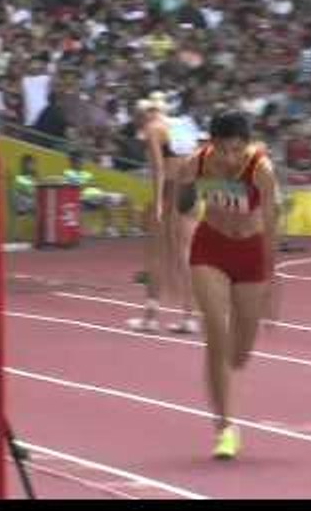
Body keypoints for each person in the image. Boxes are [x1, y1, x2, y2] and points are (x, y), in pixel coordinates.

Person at [176, 110, 279, 459]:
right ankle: (224, 426)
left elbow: (273, 228)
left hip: (250, 254)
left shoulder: (261, 170)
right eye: (223, 151)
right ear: (212, 145)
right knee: (217, 335)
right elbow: (183, 206)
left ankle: (226, 399)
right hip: (211, 248)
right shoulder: (198, 163)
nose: (230, 158)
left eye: (237, 150)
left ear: (247, 147)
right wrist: (184, 184)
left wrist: (274, 284)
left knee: (240, 353)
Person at [126, 92, 201, 334]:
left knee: (155, 253)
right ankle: (189, 318)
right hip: (191, 188)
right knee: (185, 254)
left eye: (137, 117)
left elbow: (158, 167)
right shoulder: (183, 124)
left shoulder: (153, 129)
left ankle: (150, 317)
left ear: (146, 114)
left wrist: (158, 202)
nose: (137, 123)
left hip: (171, 189)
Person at [62, 151, 130, 237]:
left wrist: (96, 188)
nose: (80, 163)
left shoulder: (86, 173)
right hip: (85, 198)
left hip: (97, 195)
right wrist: (87, 186)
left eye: (81, 161)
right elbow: (75, 188)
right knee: (106, 199)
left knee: (127, 198)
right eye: (78, 161)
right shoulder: (68, 173)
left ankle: (131, 228)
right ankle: (109, 228)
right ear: (72, 161)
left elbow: (94, 185)